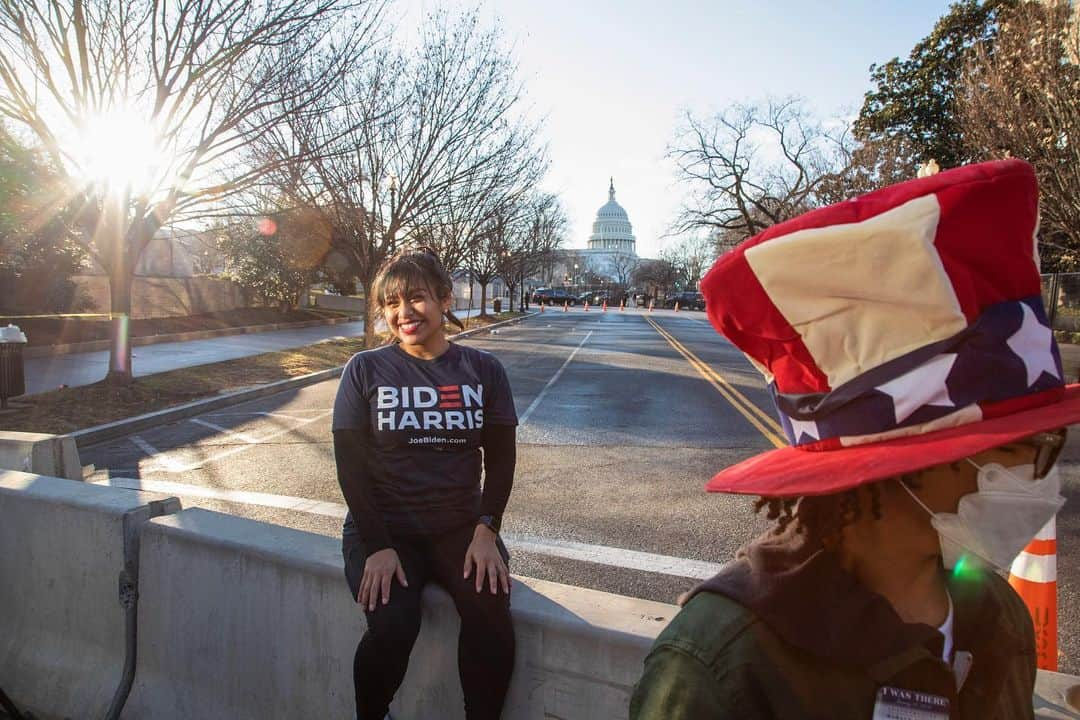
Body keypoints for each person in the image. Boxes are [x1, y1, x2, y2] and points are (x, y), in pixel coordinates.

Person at [630, 159, 1079, 719]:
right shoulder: (726, 664)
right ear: (900, 459)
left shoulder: (996, 619)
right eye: (1018, 449)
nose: (1041, 477)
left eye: (1048, 444)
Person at [332, 247, 518, 720]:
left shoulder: (484, 370)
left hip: (459, 527)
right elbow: (350, 466)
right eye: (391, 304)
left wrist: (486, 532)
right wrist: (376, 545)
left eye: (415, 298)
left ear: (444, 299)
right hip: (384, 527)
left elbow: (500, 460)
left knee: (490, 611)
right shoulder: (365, 370)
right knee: (393, 623)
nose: (403, 313)